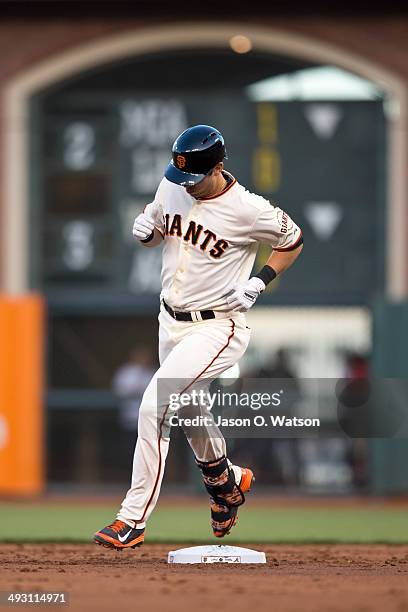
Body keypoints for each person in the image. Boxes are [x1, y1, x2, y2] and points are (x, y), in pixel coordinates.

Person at [94, 124, 303, 550]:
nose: (185, 186)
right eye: (180, 176)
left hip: (217, 326)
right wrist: (147, 234)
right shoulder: (174, 181)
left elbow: (293, 239)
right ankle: (225, 482)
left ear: (219, 167)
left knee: (154, 405)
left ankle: (131, 519)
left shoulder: (249, 209)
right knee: (190, 414)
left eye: (195, 179)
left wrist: (261, 281)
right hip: (169, 321)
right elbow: (158, 232)